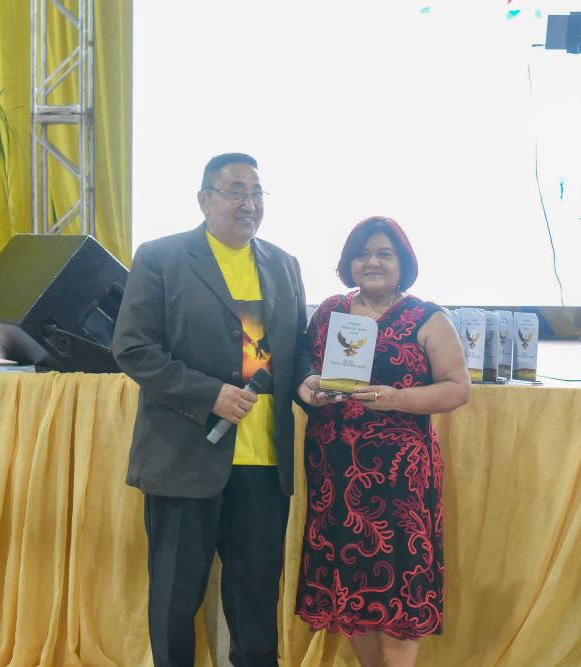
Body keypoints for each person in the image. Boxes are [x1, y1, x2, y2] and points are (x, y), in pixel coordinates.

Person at [112, 152, 311, 667]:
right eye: (236, 191)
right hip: (185, 455)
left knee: (256, 600)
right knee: (176, 599)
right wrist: (209, 394)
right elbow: (133, 348)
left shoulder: (284, 264)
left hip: (263, 462)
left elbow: (297, 351)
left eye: (258, 192)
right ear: (204, 200)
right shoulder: (161, 257)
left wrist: (308, 381)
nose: (250, 203)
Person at [294, 216, 472, 667]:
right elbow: (303, 362)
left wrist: (398, 399)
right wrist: (309, 384)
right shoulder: (330, 310)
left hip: (398, 480)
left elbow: (458, 388)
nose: (371, 262)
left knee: (399, 580)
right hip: (334, 474)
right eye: (362, 254)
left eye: (384, 253)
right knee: (350, 578)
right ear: (348, 263)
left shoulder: (428, 317)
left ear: (403, 262)